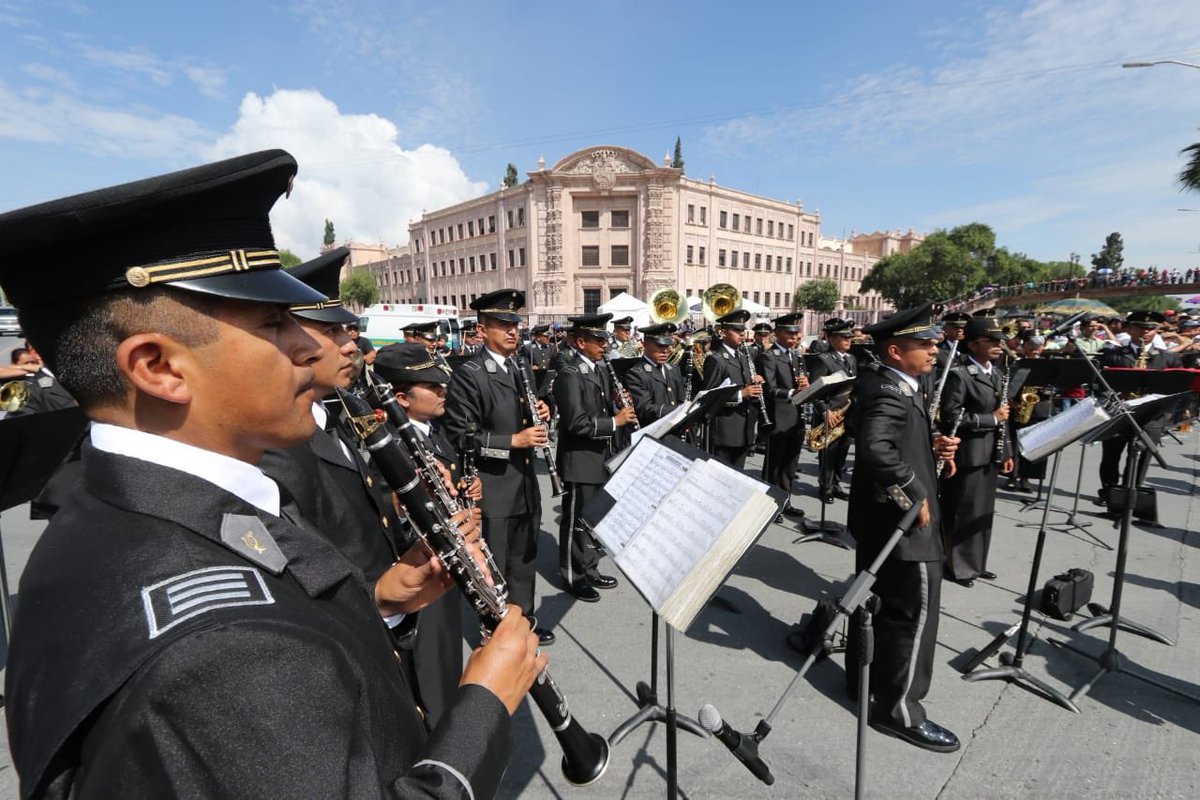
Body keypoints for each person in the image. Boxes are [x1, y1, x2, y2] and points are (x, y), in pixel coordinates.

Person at [0, 150, 541, 798]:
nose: (311, 345)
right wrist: (482, 709)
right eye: (273, 322)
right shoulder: (229, 654)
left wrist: (379, 604)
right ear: (158, 367)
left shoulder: (116, 507)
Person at [845, 302, 960, 753]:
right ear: (895, 351)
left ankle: (864, 684)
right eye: (924, 343)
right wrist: (912, 489)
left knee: (875, 606)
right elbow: (876, 447)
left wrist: (931, 446)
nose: (935, 349)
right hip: (904, 525)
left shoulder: (886, 382)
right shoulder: (890, 390)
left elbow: (890, 439)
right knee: (913, 615)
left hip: (878, 517)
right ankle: (899, 711)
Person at [443, 289, 557, 646]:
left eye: (515, 324)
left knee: (524, 562)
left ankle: (523, 621)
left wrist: (543, 410)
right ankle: (496, 632)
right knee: (497, 566)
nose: (512, 331)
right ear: (482, 330)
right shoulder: (470, 374)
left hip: (525, 486)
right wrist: (514, 441)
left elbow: (526, 417)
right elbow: (461, 436)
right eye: (502, 324)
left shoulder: (521, 366)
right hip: (494, 488)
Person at [373, 340, 475, 727]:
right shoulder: (392, 443)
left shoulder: (430, 429)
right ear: (402, 399)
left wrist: (465, 491)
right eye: (432, 387)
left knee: (446, 652)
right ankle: (438, 729)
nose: (442, 391)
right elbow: (391, 510)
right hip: (419, 564)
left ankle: (447, 713)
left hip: (441, 558)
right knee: (430, 659)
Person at [552, 313, 632, 601]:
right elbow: (576, 422)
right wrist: (615, 421)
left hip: (601, 456)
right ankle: (573, 576)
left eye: (605, 339)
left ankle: (590, 568)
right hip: (580, 459)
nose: (605, 344)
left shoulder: (599, 369)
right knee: (577, 521)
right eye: (599, 340)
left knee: (593, 520)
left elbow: (603, 406)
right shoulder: (569, 374)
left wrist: (618, 404)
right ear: (581, 342)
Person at [938, 317, 1013, 586]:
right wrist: (990, 418)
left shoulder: (998, 374)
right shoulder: (959, 375)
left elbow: (1006, 417)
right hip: (968, 454)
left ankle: (976, 563)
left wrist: (1008, 452)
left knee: (982, 512)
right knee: (962, 511)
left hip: (991, 452)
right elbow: (951, 416)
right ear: (972, 344)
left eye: (1000, 340)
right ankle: (955, 565)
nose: (998, 345)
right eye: (991, 341)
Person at [1096, 310, 1182, 506]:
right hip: (1119, 412)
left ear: (1157, 330)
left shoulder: (1168, 358)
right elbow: (1099, 385)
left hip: (1152, 416)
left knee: (1142, 457)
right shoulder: (1113, 355)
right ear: (1129, 329)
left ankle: (1130, 495)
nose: (1146, 331)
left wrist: (1167, 413)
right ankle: (1109, 493)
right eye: (1140, 327)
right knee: (1110, 456)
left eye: (1151, 328)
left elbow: (1177, 389)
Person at [755, 312, 809, 516]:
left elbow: (802, 381)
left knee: (790, 464)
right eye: (789, 333)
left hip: (796, 416)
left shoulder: (796, 355)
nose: (794, 337)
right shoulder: (768, 356)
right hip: (779, 417)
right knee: (774, 464)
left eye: (796, 333)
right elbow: (769, 389)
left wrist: (806, 384)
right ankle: (770, 505)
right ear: (777, 333)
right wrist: (792, 392)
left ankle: (785, 500)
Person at [700, 309, 764, 469]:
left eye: (743, 330)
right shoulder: (716, 359)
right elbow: (708, 397)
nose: (741, 334)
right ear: (723, 332)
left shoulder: (743, 356)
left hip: (744, 430)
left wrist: (756, 381)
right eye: (736, 330)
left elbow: (746, 384)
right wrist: (741, 394)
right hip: (724, 432)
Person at [809, 317, 857, 502]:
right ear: (831, 338)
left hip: (846, 413)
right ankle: (826, 487)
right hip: (831, 413)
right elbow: (815, 390)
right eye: (844, 337)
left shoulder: (851, 359)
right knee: (828, 453)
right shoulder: (823, 359)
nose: (848, 340)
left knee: (842, 452)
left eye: (850, 337)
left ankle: (836, 484)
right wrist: (824, 411)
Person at [623, 322, 687, 426]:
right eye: (660, 346)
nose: (665, 351)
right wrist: (678, 411)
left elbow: (681, 399)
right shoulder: (636, 374)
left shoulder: (673, 370)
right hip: (652, 430)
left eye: (668, 345)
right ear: (645, 344)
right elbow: (645, 408)